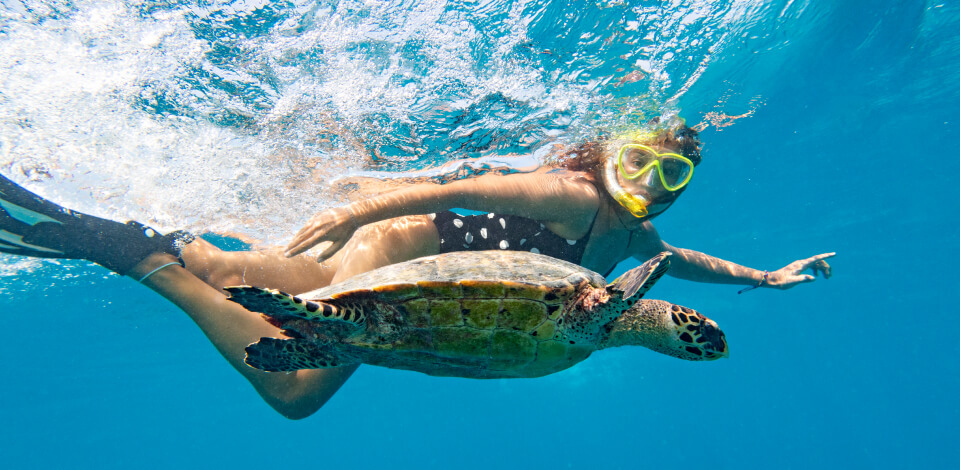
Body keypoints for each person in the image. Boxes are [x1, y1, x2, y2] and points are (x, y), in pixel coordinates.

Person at [0, 124, 833, 419]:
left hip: (422, 261)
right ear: (611, 152)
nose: (651, 181)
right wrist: (355, 210)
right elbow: (458, 186)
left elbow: (674, 260)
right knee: (294, 389)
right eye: (643, 158)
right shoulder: (573, 196)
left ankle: (143, 233)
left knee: (235, 264)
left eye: (673, 176)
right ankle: (141, 258)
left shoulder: (626, 243)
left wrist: (764, 278)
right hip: (404, 250)